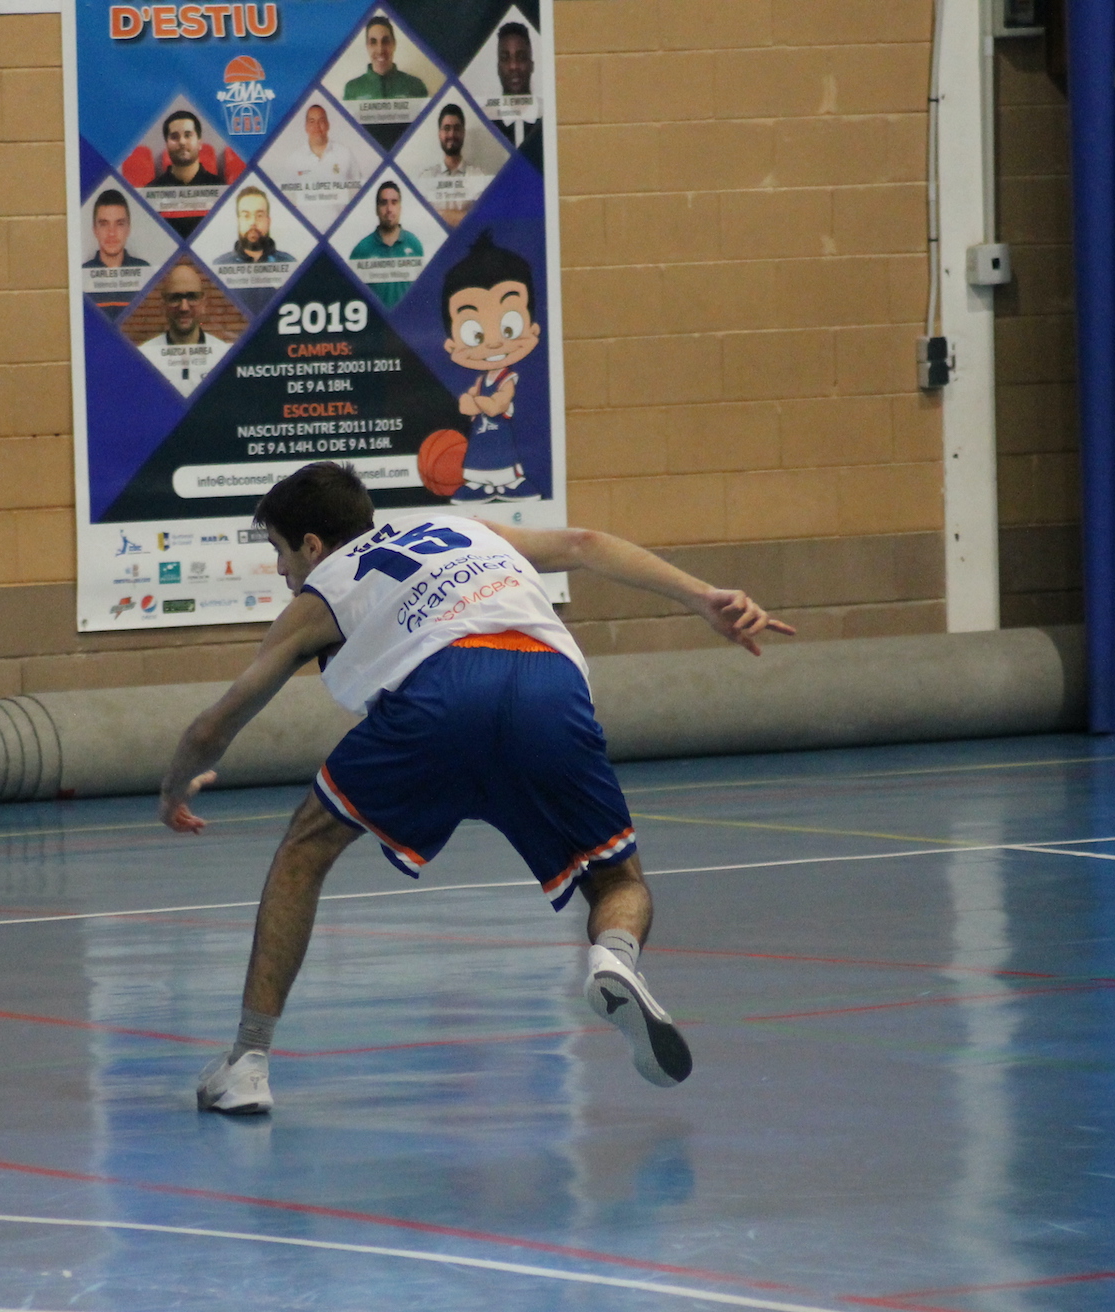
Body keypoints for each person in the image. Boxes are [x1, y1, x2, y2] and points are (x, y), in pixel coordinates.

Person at [160, 462, 793, 1114]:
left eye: (280, 552)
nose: (283, 570)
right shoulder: (458, 528)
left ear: (313, 546)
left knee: (305, 847)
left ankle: (248, 1062)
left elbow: (219, 721)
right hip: (546, 682)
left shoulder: (320, 593)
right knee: (617, 879)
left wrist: (173, 788)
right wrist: (701, 596)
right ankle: (614, 960)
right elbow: (585, 545)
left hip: (440, 691)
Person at [442, 232, 539, 502]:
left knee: (504, 469)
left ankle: (510, 485)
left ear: (532, 328)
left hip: (501, 442)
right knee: (477, 469)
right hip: (481, 443)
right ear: (451, 344)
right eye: (476, 334)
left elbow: (496, 406)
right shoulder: (482, 381)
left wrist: (479, 401)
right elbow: (465, 405)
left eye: (509, 327)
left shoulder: (510, 377)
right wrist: (478, 400)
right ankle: (478, 486)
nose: (495, 342)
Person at [137, 262, 233, 395]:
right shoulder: (144, 358)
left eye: (192, 297)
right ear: (163, 305)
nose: (184, 307)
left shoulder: (224, 356)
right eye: (175, 298)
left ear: (204, 303)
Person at [346, 180, 423, 306]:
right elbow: (352, 297)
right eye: (383, 203)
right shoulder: (361, 249)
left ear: (400, 207)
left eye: (394, 202)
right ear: (376, 209)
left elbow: (420, 294)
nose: (389, 209)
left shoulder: (414, 245)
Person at [82, 189, 150, 313]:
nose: (111, 233)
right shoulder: (81, 275)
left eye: (119, 224)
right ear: (94, 230)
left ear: (128, 229)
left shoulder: (145, 272)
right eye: (104, 224)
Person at [342, 17, 428, 100]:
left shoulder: (416, 86)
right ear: (367, 46)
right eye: (373, 42)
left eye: (385, 41)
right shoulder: (352, 89)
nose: (380, 50)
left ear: (394, 44)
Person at [493, 22, 542, 169]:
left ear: (532, 65)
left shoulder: (548, 119)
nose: (513, 66)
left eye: (521, 57)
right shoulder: (487, 123)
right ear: (498, 68)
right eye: (505, 58)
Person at [211, 188, 297, 268]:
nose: (253, 222)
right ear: (238, 221)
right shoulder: (220, 265)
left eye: (259, 216)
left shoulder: (289, 263)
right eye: (246, 216)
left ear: (268, 221)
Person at [151, 110, 226, 187]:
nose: (182, 142)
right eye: (174, 137)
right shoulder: (152, 190)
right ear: (166, 144)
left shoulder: (220, 189)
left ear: (199, 143)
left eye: (188, 135)